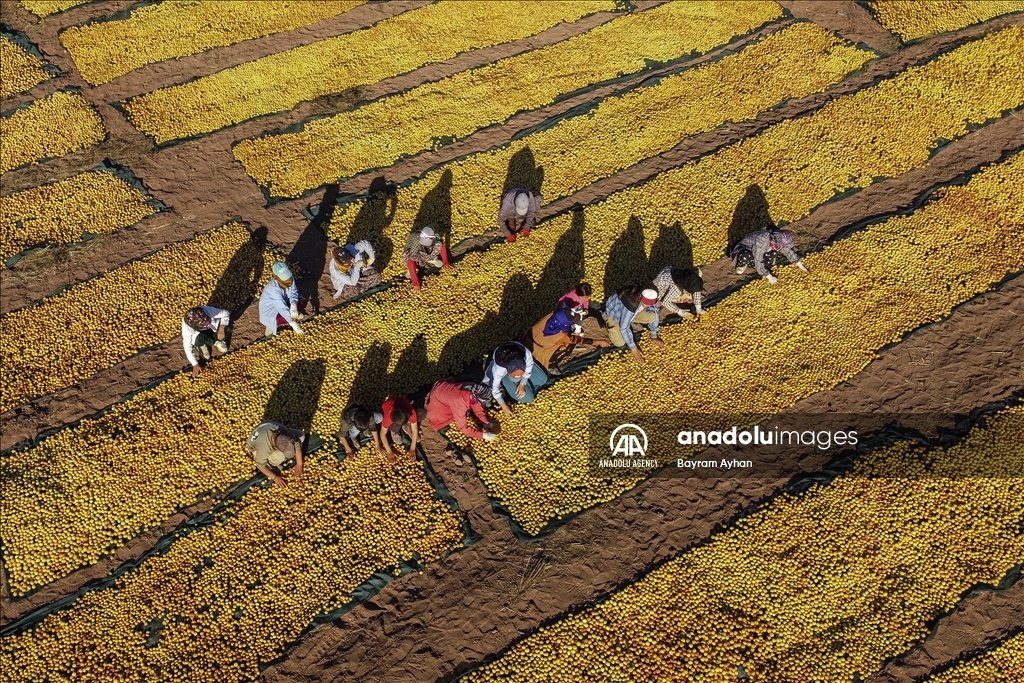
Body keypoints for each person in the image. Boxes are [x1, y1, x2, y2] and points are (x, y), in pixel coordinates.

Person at [530, 303, 610, 376]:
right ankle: (550, 366)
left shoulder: (552, 316)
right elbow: (579, 340)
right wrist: (599, 342)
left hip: (529, 342)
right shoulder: (560, 335)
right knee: (568, 346)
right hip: (538, 354)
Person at [485, 341, 548, 417]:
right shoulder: (498, 370)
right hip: (503, 371)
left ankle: (525, 384)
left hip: (517, 356)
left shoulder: (525, 353)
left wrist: (522, 384)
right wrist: (504, 406)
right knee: (528, 398)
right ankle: (506, 380)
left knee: (543, 379)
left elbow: (529, 367)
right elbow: (494, 388)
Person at [603, 284, 663, 364]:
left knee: (652, 316)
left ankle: (630, 318)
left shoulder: (652, 296)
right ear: (640, 296)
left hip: (634, 310)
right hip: (615, 313)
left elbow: (655, 312)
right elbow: (624, 327)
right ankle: (609, 324)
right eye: (645, 303)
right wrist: (634, 348)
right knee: (619, 343)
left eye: (649, 304)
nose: (647, 305)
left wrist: (654, 335)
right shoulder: (631, 302)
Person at [731, 228, 808, 284]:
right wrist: (770, 278)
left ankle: (764, 269)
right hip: (745, 249)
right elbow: (758, 260)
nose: (780, 247)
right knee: (745, 256)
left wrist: (799, 264)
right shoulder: (762, 241)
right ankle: (742, 264)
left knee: (773, 253)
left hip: (759, 251)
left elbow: (787, 251)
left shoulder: (777, 240)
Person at [246, 421, 305, 488]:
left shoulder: (283, 431)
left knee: (301, 436)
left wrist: (299, 464)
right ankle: (270, 462)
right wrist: (275, 478)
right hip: (256, 445)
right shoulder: (264, 448)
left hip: (264, 429)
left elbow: (297, 444)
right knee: (278, 457)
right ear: (276, 447)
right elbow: (260, 466)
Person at [182, 306, 231, 377]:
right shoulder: (187, 328)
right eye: (204, 325)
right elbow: (187, 347)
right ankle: (202, 345)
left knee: (227, 328)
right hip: (200, 335)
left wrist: (222, 327)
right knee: (199, 340)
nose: (207, 324)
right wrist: (195, 364)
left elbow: (225, 313)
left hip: (212, 329)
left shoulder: (207, 310)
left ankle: (216, 341)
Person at [259, 261, 305, 337]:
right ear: (276, 277)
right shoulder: (274, 289)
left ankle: (292, 314)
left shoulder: (289, 278)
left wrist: (293, 305)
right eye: (284, 279)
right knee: (281, 318)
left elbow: (293, 292)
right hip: (272, 310)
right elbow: (281, 307)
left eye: (287, 277)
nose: (287, 281)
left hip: (284, 301)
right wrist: (293, 323)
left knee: (298, 301)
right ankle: (270, 325)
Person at [402, 225, 450, 290]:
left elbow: (442, 247)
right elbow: (411, 260)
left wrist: (446, 262)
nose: (426, 244)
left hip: (425, 252)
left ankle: (431, 259)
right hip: (411, 253)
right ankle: (412, 270)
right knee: (408, 258)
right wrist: (415, 283)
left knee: (438, 245)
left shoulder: (436, 236)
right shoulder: (416, 242)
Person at [379, 395, 419, 463]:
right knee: (397, 436)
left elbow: (415, 430)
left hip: (401, 401)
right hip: (389, 405)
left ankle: (406, 427)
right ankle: (394, 431)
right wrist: (389, 451)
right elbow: (382, 434)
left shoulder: (411, 411)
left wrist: (412, 449)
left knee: (422, 413)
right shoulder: (388, 418)